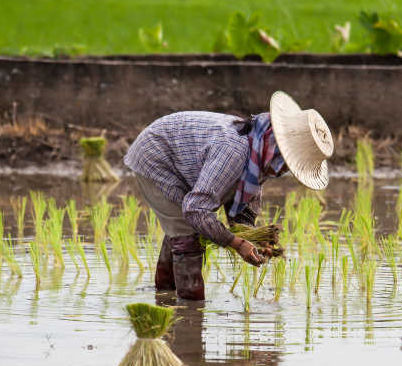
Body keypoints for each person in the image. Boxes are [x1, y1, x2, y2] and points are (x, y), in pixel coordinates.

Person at [124, 91, 334, 300]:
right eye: (286, 163)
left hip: (183, 160)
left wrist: (254, 238)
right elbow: (195, 209)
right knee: (187, 235)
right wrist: (238, 243)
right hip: (156, 156)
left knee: (182, 229)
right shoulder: (234, 151)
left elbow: (240, 204)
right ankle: (189, 312)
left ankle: (165, 295)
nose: (282, 171)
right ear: (278, 149)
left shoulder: (260, 151)